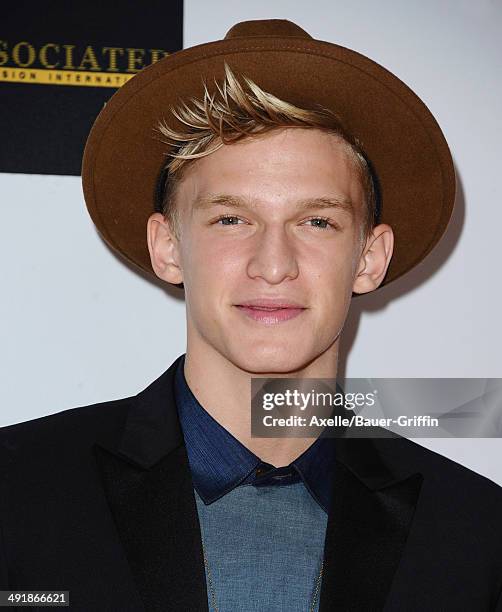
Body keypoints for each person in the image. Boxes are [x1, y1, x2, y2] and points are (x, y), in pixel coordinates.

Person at [1, 18, 501, 612]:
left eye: (318, 222)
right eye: (231, 219)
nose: (273, 264)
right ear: (168, 247)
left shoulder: (475, 535)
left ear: (369, 258)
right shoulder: (17, 494)